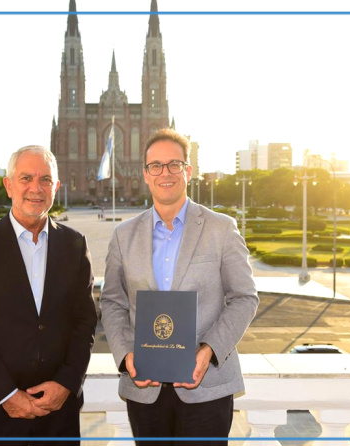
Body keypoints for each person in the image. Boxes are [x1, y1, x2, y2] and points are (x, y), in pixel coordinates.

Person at [100, 129, 259, 445]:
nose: (165, 173)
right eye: (156, 166)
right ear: (145, 174)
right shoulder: (124, 236)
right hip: (145, 391)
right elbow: (112, 302)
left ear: (189, 170)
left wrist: (210, 350)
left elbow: (244, 297)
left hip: (207, 388)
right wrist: (126, 353)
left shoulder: (221, 229)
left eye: (174, 164)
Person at [0, 145, 97, 445]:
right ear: (9, 184)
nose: (35, 188)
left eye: (45, 180)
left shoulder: (74, 245)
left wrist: (66, 383)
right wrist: (6, 393)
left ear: (56, 187)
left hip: (58, 413)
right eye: (26, 178)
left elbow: (85, 324)